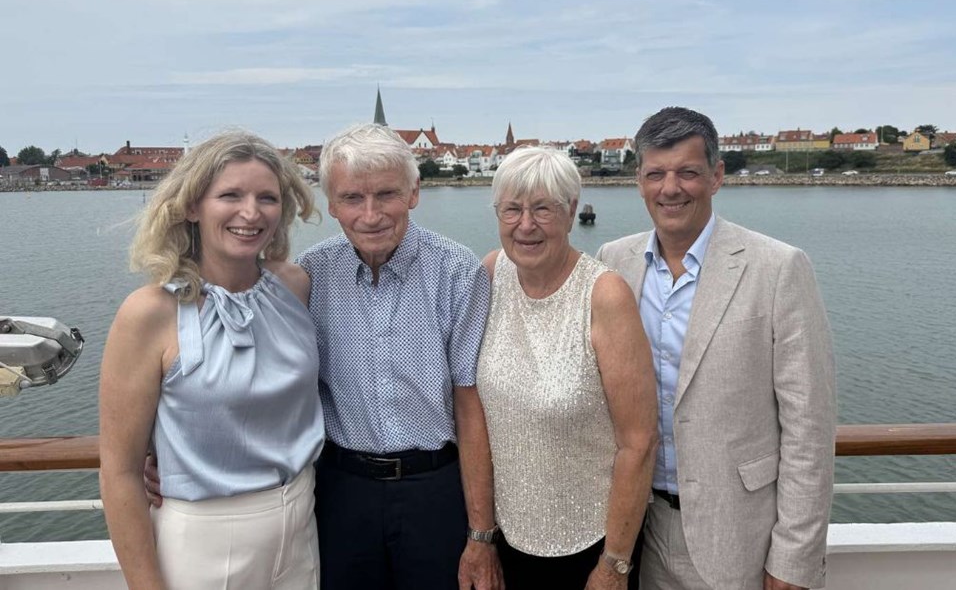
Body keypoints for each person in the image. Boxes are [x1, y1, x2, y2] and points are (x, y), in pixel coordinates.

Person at [596, 107, 836, 590]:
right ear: (638, 181)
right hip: (633, 532)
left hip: (739, 537)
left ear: (716, 176)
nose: (671, 188)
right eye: (655, 174)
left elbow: (809, 428)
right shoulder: (612, 262)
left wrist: (793, 558)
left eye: (687, 172)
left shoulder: (779, 268)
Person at [100, 130, 323, 589]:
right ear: (191, 207)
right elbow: (119, 471)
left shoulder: (293, 286)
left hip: (301, 526)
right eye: (230, 195)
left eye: (267, 197)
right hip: (205, 541)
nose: (251, 212)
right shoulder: (150, 314)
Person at [296, 123, 501, 590]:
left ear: (413, 193)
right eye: (352, 199)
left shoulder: (456, 272)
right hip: (341, 489)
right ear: (331, 204)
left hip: (435, 489)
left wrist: (481, 534)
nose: (370, 215)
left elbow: (470, 406)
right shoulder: (310, 275)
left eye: (386, 194)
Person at [477, 146, 658, 589]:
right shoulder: (491, 272)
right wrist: (480, 535)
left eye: (543, 209)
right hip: (508, 541)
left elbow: (639, 442)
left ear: (572, 210)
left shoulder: (604, 296)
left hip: (590, 548)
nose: (525, 225)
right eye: (512, 209)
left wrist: (614, 565)